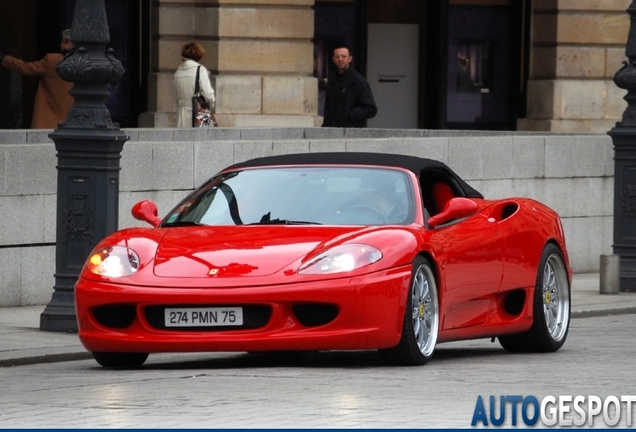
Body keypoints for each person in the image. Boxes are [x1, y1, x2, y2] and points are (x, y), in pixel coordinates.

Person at [0, 29, 74, 129]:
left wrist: (4, 58)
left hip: (48, 122)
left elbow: (26, 68)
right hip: (73, 123)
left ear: (66, 43)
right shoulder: (86, 65)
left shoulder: (52, 60)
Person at [322, 44, 377, 128]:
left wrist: (348, 114)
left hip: (352, 131)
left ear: (350, 59)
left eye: (343, 56)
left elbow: (370, 109)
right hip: (332, 131)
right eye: (337, 57)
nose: (340, 59)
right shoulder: (332, 81)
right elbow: (328, 110)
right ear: (333, 59)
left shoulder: (359, 81)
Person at [172, 42, 215, 128]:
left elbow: (175, 96)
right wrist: (211, 104)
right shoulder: (200, 70)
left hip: (180, 114)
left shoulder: (177, 72)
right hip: (197, 115)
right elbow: (208, 94)